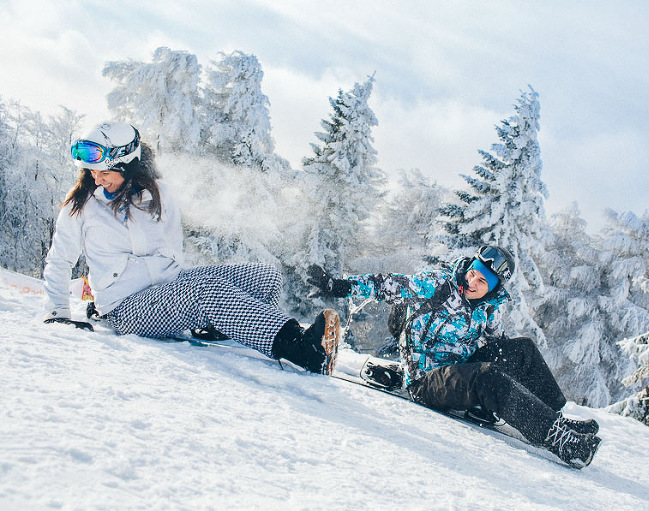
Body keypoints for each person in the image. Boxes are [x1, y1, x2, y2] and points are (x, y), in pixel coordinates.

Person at [43, 121, 339, 375]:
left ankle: (224, 327)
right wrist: (58, 313)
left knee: (265, 277)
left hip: (167, 287)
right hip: (125, 307)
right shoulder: (81, 206)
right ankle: (302, 350)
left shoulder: (158, 195)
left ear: (128, 165)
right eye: (92, 172)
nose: (97, 179)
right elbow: (59, 260)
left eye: (105, 172)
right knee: (207, 292)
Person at [307, 246, 602, 468]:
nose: (472, 282)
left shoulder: (488, 308)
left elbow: (498, 342)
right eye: (473, 273)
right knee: (488, 378)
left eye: (482, 281)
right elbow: (388, 284)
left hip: (461, 369)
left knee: (523, 349)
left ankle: (555, 419)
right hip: (427, 379)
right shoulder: (438, 285)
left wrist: (510, 369)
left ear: (493, 289)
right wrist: (339, 286)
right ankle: (560, 441)